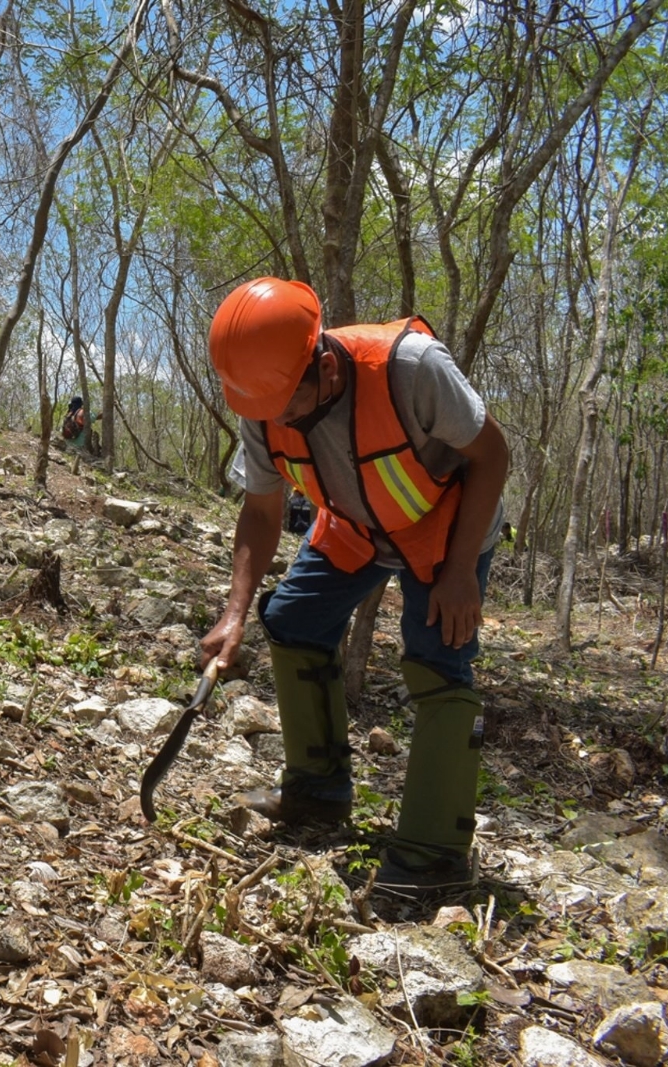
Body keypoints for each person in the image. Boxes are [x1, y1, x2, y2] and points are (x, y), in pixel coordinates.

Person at [197, 277, 508, 896]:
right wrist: (233, 616)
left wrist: (458, 574)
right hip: (357, 523)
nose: (275, 418)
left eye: (287, 403)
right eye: (264, 408)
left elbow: (493, 455)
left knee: (437, 652)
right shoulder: (262, 404)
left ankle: (434, 854)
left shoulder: (412, 370)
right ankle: (317, 793)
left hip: (447, 524)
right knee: (291, 619)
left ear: (325, 364)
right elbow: (261, 513)